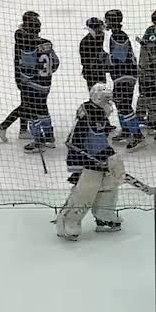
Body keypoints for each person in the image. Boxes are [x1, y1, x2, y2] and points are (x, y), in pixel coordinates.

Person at [56, 83, 122, 240]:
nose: (109, 104)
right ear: (97, 98)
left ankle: (104, 216)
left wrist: (108, 155)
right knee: (86, 189)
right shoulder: (87, 114)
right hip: (84, 159)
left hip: (100, 156)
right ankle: (68, 222)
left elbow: (100, 137)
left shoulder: (99, 113)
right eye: (106, 100)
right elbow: (72, 141)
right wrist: (87, 160)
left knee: (110, 182)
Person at [0, 11, 40, 142]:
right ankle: (3, 126)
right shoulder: (20, 34)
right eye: (34, 22)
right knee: (27, 103)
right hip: (23, 75)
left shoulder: (30, 34)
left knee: (26, 101)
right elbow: (31, 44)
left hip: (30, 73)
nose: (38, 25)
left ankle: (23, 130)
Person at [104, 10, 144, 151]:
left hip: (125, 76)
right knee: (120, 103)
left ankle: (137, 135)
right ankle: (127, 130)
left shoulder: (118, 36)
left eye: (108, 20)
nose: (106, 23)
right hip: (123, 76)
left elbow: (119, 58)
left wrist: (104, 60)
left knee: (124, 104)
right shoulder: (117, 35)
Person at [19, 31, 61, 155]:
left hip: (33, 85)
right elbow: (56, 62)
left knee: (32, 111)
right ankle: (49, 137)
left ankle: (38, 140)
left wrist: (23, 79)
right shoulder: (47, 44)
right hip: (46, 83)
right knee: (43, 108)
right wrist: (47, 73)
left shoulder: (28, 46)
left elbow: (28, 69)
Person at [138, 10, 156, 135]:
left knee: (145, 94)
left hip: (148, 70)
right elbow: (153, 52)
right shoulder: (153, 32)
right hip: (150, 71)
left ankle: (140, 117)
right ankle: (150, 121)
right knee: (154, 95)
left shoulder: (155, 31)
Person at [80, 17, 109, 91]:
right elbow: (85, 61)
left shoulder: (99, 37)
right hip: (92, 73)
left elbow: (99, 51)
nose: (102, 30)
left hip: (99, 72)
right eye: (100, 27)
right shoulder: (86, 41)